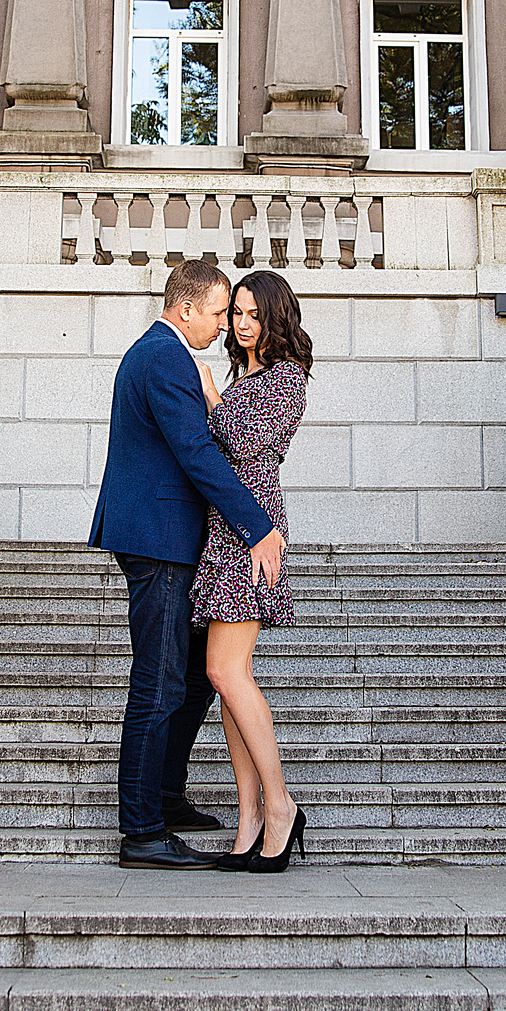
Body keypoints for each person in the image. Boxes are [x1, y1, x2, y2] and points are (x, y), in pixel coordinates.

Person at [88, 260, 286, 869]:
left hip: (175, 538)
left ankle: (167, 795)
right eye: (221, 312)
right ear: (187, 310)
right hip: (160, 538)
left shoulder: (166, 356)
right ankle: (143, 830)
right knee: (160, 678)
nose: (226, 325)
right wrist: (259, 526)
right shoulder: (164, 358)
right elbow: (197, 453)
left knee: (199, 674)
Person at [189, 270, 312, 872]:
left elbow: (241, 441)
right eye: (235, 313)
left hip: (251, 529)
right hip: (224, 525)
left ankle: (282, 806)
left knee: (224, 669)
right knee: (225, 678)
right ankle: (250, 820)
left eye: (252, 314)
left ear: (275, 318)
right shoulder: (251, 376)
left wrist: (211, 399)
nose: (240, 324)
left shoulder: (287, 377)